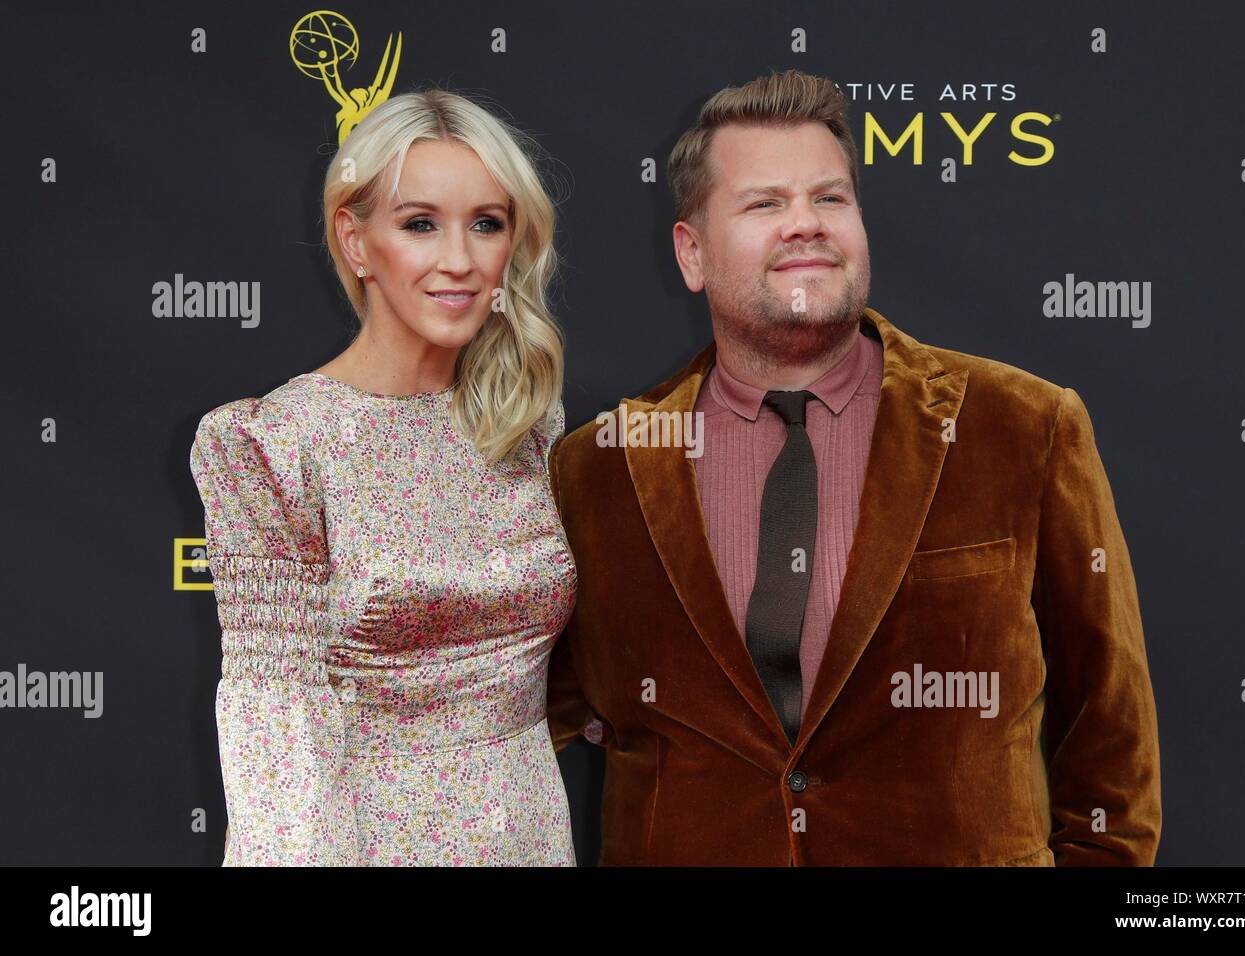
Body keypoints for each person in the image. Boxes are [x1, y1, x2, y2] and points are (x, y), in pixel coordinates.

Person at [546, 69, 1161, 865]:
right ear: (691, 254)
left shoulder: (1024, 426)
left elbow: (1110, 731)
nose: (805, 225)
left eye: (830, 199)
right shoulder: (601, 468)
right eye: (765, 204)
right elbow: (521, 714)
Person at [190, 87, 576, 865]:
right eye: (420, 224)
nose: (460, 260)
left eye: (487, 224)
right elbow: (276, 726)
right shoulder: (272, 446)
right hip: (367, 843)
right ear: (356, 240)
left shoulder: (530, 426)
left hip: (531, 834)